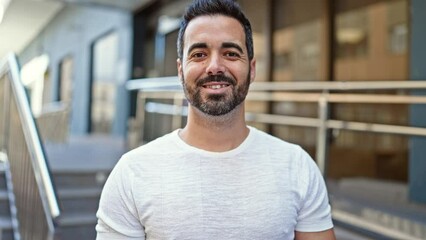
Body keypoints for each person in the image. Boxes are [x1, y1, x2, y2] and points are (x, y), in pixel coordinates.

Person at [96, 0, 335, 239]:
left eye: (230, 53)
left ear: (252, 69)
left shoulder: (297, 167)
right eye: (199, 54)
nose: (215, 66)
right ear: (180, 70)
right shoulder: (132, 172)